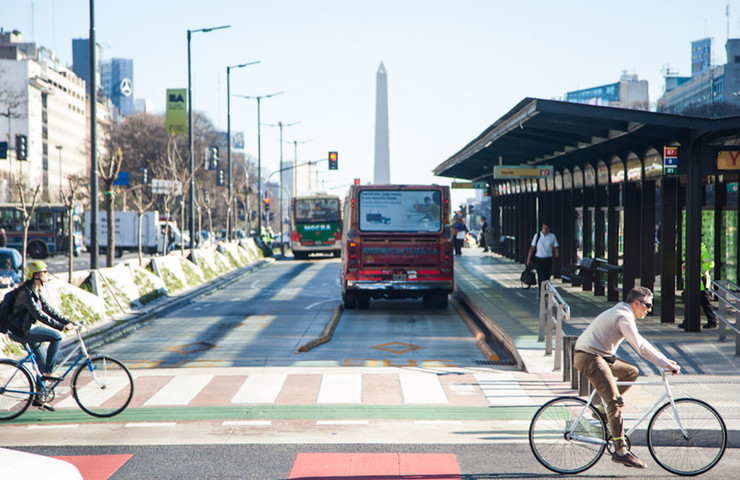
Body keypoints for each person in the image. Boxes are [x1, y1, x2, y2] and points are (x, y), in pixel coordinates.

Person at [574, 286, 680, 469]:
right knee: (614, 402)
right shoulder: (623, 316)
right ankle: (621, 451)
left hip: (599, 356)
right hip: (590, 357)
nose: (649, 310)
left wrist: (664, 360)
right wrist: (664, 364)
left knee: (631, 372)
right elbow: (640, 347)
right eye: (647, 306)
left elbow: (641, 341)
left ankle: (600, 411)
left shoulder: (624, 312)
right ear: (636, 303)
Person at [6, 261, 74, 412]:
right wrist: (60, 327)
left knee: (41, 366)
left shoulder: (36, 290)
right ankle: (49, 372)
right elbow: (39, 315)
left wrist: (67, 321)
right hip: (20, 330)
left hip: (27, 328)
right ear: (35, 275)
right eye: (44, 272)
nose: (47, 274)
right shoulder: (26, 293)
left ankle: (39, 397)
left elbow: (49, 310)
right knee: (56, 336)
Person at [678, 241, 717, 329]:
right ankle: (687, 321)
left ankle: (712, 321)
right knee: (690, 302)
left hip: (701, 282)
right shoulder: (692, 249)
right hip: (692, 281)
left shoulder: (701, 249)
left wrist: (699, 271)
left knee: (705, 303)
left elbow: (710, 263)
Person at [525, 222, 559, 291]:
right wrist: (528, 259)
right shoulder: (537, 236)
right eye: (543, 228)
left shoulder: (552, 236)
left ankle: (546, 289)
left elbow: (556, 246)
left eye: (546, 228)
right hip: (539, 259)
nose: (545, 230)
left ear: (549, 229)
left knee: (547, 276)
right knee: (540, 275)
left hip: (548, 259)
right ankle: (541, 291)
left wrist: (556, 253)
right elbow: (532, 248)